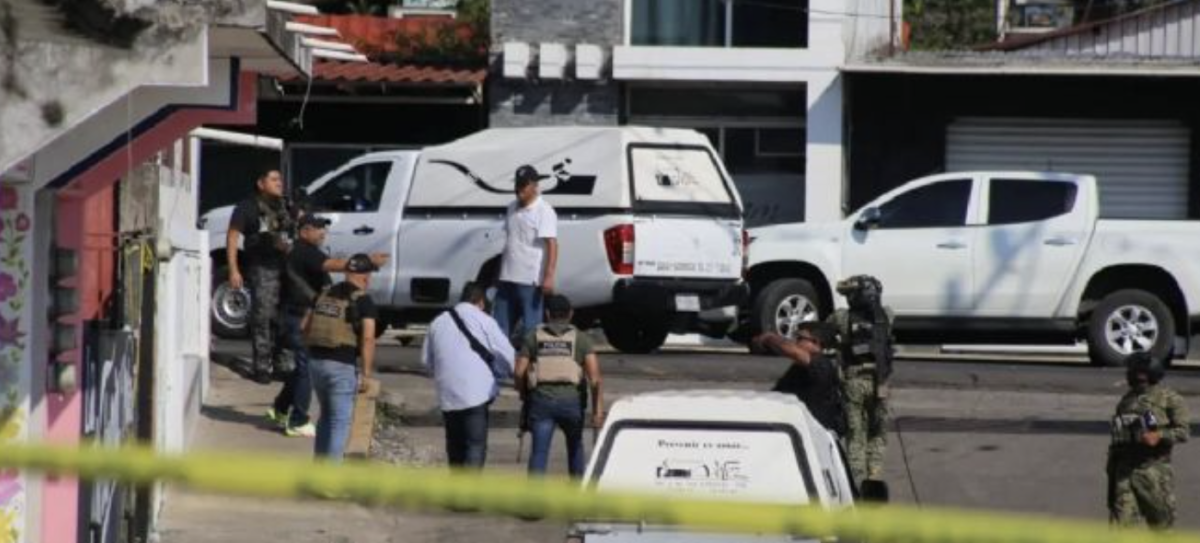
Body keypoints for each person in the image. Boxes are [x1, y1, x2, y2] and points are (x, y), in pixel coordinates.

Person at [269, 215, 388, 438]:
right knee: (305, 369)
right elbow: (332, 265)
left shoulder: (306, 250)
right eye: (318, 228)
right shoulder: (303, 251)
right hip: (298, 314)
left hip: (300, 314)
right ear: (304, 231)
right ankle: (297, 421)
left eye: (324, 228)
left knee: (301, 368)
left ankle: (280, 408)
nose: (323, 233)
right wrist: (367, 261)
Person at [422, 283, 516, 468]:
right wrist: (507, 374)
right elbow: (508, 355)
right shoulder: (485, 320)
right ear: (481, 302)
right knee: (475, 444)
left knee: (455, 445)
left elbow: (426, 361)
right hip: (476, 393)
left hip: (448, 393)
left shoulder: (438, 322)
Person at [515, 294, 603, 477]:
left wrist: (523, 393)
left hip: (541, 401)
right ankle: (576, 488)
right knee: (575, 446)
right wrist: (598, 412)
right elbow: (595, 380)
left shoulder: (533, 337)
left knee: (539, 451)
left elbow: (518, 372)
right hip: (572, 402)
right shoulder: (581, 339)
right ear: (570, 314)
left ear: (547, 314)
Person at [302, 253, 379, 461]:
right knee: (340, 422)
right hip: (341, 366)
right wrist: (366, 374)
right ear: (366, 277)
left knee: (326, 416)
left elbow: (304, 326)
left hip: (316, 363)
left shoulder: (323, 294)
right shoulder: (363, 300)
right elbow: (368, 338)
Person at [227, 169, 296, 384]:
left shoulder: (286, 206)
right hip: (262, 267)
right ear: (261, 183)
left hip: (286, 267)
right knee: (263, 317)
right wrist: (233, 269)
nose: (279, 183)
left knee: (284, 317)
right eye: (274, 179)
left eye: (280, 179)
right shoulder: (247, 207)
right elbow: (232, 237)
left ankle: (282, 363)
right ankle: (262, 366)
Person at [1107, 352, 1189, 529]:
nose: (1131, 376)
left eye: (1135, 372)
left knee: (1162, 528)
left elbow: (1183, 432)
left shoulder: (1169, 399)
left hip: (1153, 473)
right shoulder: (1127, 400)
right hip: (1124, 472)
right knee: (1122, 528)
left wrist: (1159, 436)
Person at [828, 275, 894, 489]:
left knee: (855, 433)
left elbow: (826, 332)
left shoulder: (842, 317)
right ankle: (874, 475)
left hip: (854, 381)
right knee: (878, 432)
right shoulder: (888, 315)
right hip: (881, 381)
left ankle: (856, 482)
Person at [494, 165, 558, 344]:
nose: (518, 189)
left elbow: (552, 244)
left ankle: (529, 360)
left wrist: (549, 276)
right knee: (500, 324)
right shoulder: (511, 207)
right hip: (507, 276)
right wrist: (498, 273)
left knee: (531, 327)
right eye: (517, 184)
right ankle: (500, 359)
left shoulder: (544, 210)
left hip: (530, 278)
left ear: (535, 185)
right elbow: (509, 242)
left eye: (523, 185)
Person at [754, 322, 846, 437]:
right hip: (798, 429)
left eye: (800, 338)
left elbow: (794, 352)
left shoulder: (823, 365)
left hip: (817, 436)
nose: (795, 342)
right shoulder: (799, 368)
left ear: (815, 342)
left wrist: (769, 338)